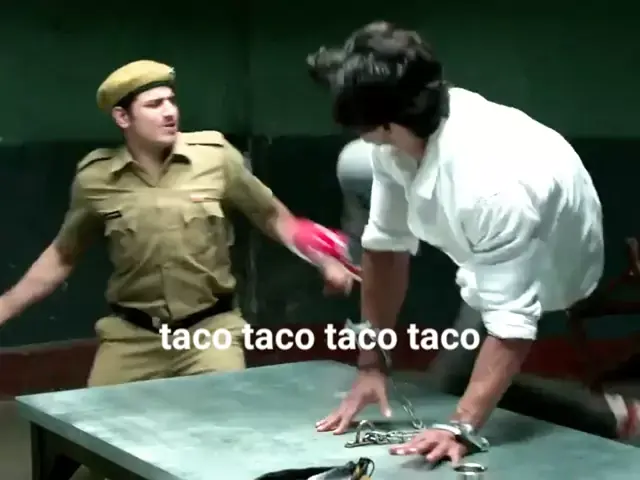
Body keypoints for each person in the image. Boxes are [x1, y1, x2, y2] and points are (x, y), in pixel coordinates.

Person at [306, 22, 640, 464]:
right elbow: (385, 251)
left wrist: (460, 426)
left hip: (562, 265)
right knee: (357, 166)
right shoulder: (397, 138)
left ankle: (618, 417)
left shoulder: (490, 185)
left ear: (386, 123)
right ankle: (612, 414)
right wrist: (372, 363)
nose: (359, 133)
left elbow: (512, 327)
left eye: (362, 125)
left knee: (458, 381)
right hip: (491, 234)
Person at [0, 59, 353, 388]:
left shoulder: (215, 157)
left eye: (171, 101)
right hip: (131, 337)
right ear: (123, 117)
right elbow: (63, 254)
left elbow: (272, 216)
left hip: (209, 333)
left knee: (225, 418)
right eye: (154, 105)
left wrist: (324, 260)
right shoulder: (97, 178)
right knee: (93, 425)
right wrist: (5, 306)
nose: (169, 112)